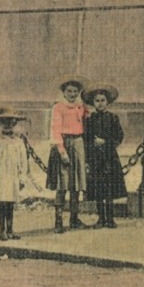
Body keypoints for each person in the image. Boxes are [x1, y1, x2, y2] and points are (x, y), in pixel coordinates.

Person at [0, 107, 40, 241]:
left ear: (15, 123)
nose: (8, 124)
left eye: (11, 121)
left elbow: (23, 161)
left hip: (13, 176)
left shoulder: (19, 141)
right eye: (4, 121)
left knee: (10, 204)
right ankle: (2, 230)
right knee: (2, 204)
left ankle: (10, 230)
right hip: (1, 176)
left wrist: (22, 177)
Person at [47, 77, 90, 231]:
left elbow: (87, 120)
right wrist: (61, 150)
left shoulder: (80, 107)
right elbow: (55, 129)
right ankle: (58, 221)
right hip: (64, 145)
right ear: (64, 93)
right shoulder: (58, 108)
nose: (72, 94)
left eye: (75, 91)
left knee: (76, 185)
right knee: (62, 184)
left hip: (78, 144)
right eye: (69, 91)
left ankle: (74, 218)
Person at [83, 85, 127, 228]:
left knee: (109, 189)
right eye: (97, 101)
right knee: (98, 189)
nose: (100, 103)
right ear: (93, 103)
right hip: (96, 159)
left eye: (103, 100)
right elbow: (87, 139)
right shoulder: (90, 120)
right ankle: (101, 218)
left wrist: (106, 142)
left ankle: (110, 219)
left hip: (109, 158)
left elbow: (119, 137)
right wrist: (90, 154)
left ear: (108, 102)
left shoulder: (113, 118)